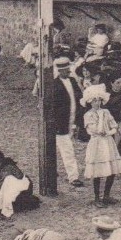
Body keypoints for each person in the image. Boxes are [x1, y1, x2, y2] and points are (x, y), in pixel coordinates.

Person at [81, 85, 121, 207]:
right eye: (94, 100)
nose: (97, 103)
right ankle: (96, 197)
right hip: (96, 144)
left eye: (99, 100)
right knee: (97, 171)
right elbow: (95, 130)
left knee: (112, 169)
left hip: (108, 142)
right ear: (90, 102)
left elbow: (114, 126)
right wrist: (100, 118)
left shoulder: (106, 112)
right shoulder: (88, 115)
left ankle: (106, 195)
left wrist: (109, 132)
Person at [52, 57, 85, 188]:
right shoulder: (54, 85)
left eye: (68, 69)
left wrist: (77, 120)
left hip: (73, 118)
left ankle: (56, 171)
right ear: (60, 71)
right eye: (65, 70)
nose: (68, 72)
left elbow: (79, 99)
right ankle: (73, 176)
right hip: (61, 123)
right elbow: (53, 107)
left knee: (66, 148)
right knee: (67, 150)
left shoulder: (72, 81)